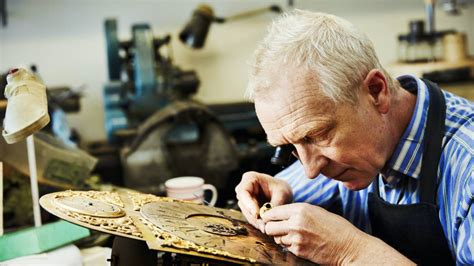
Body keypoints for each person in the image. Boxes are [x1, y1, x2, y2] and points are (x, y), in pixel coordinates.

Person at [235, 10, 473, 265]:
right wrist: (270, 197)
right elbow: (282, 194)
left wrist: (350, 250)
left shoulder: (467, 164)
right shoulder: (355, 152)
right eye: (290, 147)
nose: (310, 171)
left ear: (376, 91)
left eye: (317, 135)